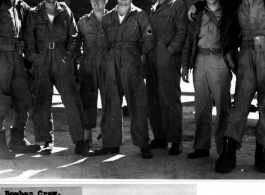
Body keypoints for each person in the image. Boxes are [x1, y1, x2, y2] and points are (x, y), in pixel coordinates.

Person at [188, 0, 265, 173]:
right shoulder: (234, 0)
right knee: (239, 104)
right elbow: (213, 0)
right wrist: (197, 5)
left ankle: (262, 152)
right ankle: (229, 153)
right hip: (245, 54)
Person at [23, 0, 93, 157]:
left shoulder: (65, 11)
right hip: (42, 59)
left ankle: (79, 141)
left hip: (62, 59)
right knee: (42, 101)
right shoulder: (34, 13)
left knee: (72, 100)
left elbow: (73, 35)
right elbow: (28, 39)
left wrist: (69, 55)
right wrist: (35, 58)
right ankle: (47, 141)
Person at [95, 0, 155, 159]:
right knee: (110, 104)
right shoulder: (108, 18)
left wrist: (133, 53)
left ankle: (143, 144)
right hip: (111, 66)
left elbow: (149, 41)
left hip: (132, 67)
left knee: (138, 104)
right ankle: (110, 144)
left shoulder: (141, 16)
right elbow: (102, 41)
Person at [181, 0, 236, 159]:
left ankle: (223, 150)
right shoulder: (197, 13)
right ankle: (201, 147)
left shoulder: (229, 11)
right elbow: (189, 39)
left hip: (220, 59)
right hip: (199, 59)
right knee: (201, 106)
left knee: (222, 108)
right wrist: (185, 65)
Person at [145, 0, 188, 155]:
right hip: (151, 56)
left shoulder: (177, 5)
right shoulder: (154, 7)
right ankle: (159, 137)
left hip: (167, 58)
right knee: (153, 99)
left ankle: (176, 141)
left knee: (170, 98)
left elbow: (182, 31)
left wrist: (170, 51)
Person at [0, 0, 41, 159]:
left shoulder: (20, 6)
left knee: (24, 98)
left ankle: (17, 140)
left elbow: (36, 15)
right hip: (2, 58)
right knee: (2, 100)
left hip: (17, 57)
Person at [76, 0, 109, 148]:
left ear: (106, 1)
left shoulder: (113, 19)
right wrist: (79, 60)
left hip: (107, 65)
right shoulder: (83, 22)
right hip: (88, 66)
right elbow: (75, 44)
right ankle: (87, 135)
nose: (96, 2)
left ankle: (108, 134)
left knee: (109, 100)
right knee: (87, 100)